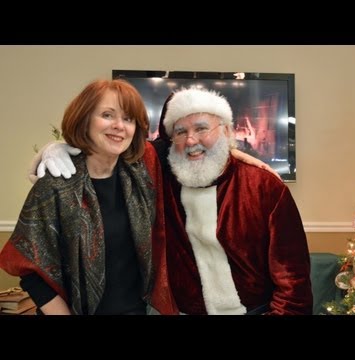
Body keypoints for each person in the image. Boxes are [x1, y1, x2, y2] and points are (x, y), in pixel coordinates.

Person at [32, 87, 312, 315]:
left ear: (226, 131)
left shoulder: (263, 186)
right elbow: (110, 147)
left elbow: (293, 286)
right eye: (180, 132)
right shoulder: (158, 175)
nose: (191, 141)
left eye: (203, 128)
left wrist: (239, 155)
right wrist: (54, 148)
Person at [0, 79, 177, 315]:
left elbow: (198, 146)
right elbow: (29, 268)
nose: (119, 126)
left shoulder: (144, 168)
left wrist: (241, 156)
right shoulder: (56, 183)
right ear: (84, 119)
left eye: (128, 118)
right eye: (107, 115)